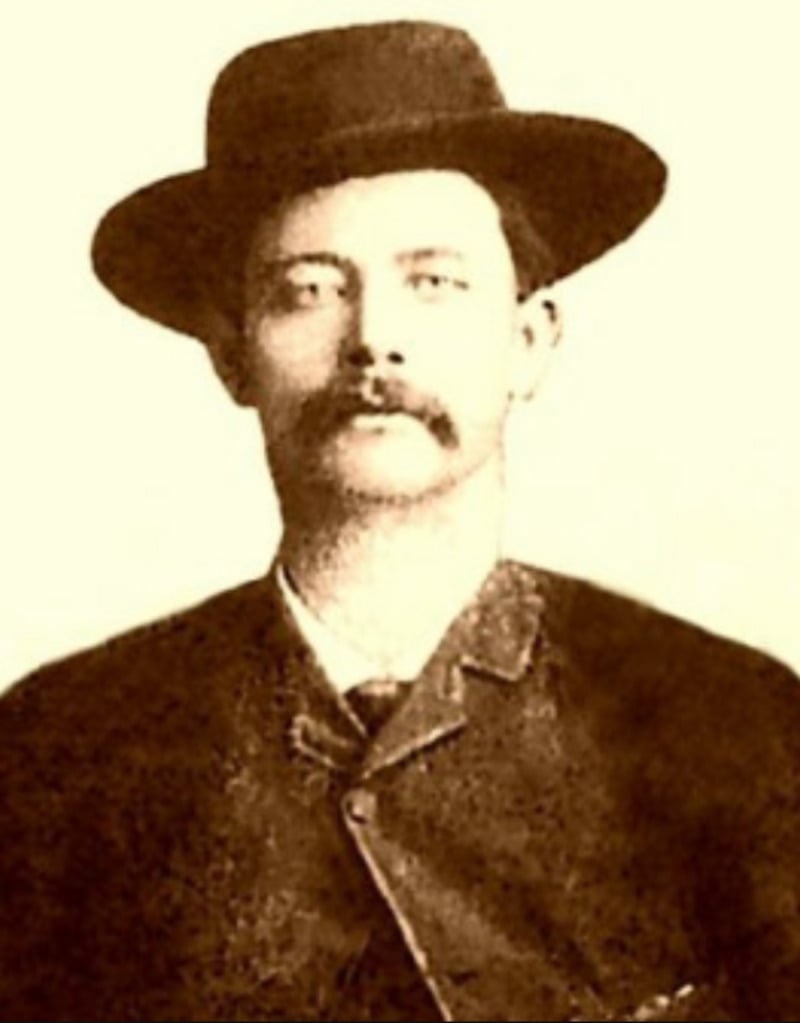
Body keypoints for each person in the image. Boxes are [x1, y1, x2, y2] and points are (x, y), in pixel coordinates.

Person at [1, 20, 798, 1022]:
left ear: (527, 340)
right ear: (232, 357)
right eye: (308, 290)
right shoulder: (58, 752)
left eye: (434, 283)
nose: (373, 339)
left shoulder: (734, 729)